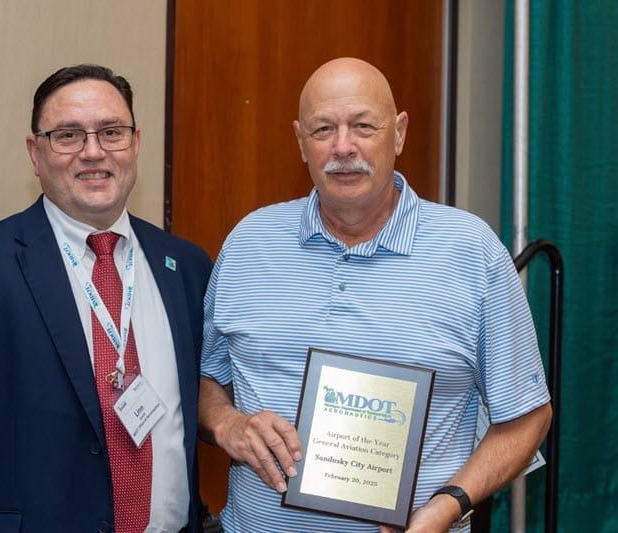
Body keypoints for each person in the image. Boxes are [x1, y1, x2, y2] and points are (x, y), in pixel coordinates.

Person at [198, 57, 552, 532]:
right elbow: (206, 380)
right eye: (323, 129)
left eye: (363, 126)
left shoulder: (471, 251)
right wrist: (228, 424)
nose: (344, 147)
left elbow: (528, 416)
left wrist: (447, 506)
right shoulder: (249, 241)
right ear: (300, 142)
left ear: (399, 133)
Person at [0, 64, 211, 533]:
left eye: (111, 132)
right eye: (68, 135)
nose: (93, 152)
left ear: (135, 142)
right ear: (36, 152)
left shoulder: (189, 269)